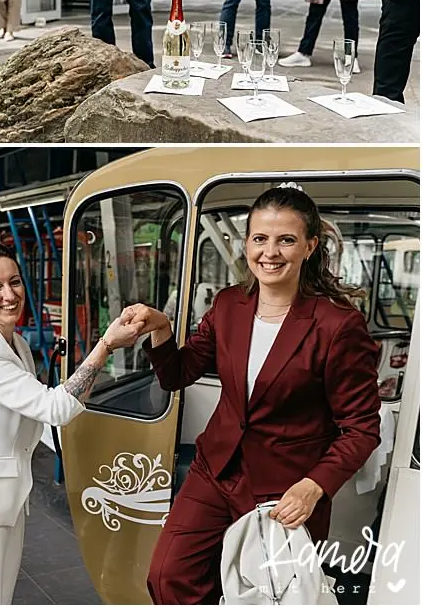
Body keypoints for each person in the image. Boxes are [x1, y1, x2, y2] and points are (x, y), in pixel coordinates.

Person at [105, 184, 380, 604]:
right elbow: (178, 374)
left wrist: (313, 486)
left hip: (285, 487)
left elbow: (361, 429)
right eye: (260, 239)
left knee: (268, 595)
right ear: (246, 243)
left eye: (286, 239)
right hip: (216, 470)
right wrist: (160, 328)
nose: (270, 252)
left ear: (309, 246)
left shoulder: (337, 326)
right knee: (167, 577)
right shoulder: (229, 304)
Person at [0, 242, 146, 604]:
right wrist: (105, 344)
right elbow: (55, 407)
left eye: (14, 282)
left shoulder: (16, 344)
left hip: (0, 502)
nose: (9, 295)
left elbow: (50, 407)